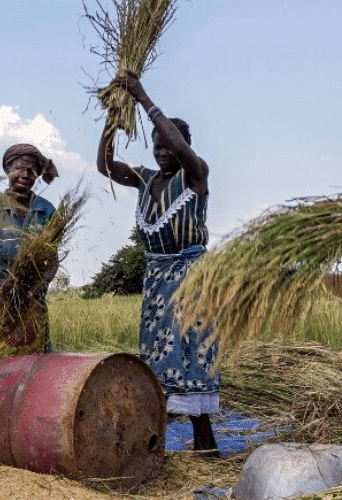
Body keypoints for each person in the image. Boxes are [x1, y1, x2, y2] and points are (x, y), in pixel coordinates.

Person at [96, 73, 218, 455]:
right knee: (157, 355)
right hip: (156, 277)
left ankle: (204, 440)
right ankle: (157, 442)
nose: (163, 150)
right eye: (156, 145)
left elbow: (181, 147)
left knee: (191, 350)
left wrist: (143, 96)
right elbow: (104, 165)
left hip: (190, 275)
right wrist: (115, 116)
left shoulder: (196, 175)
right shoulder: (146, 180)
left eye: (169, 145)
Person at [0, 143, 59, 357]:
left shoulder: (45, 210)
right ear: (8, 170)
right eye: (20, 168)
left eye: (32, 170)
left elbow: (53, 260)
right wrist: (0, 284)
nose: (25, 174)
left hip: (31, 303)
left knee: (33, 365)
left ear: (38, 175)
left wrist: (39, 285)